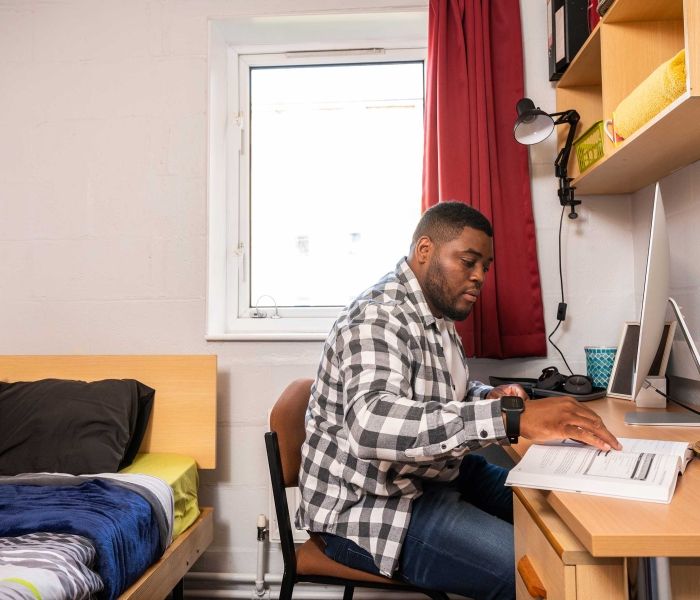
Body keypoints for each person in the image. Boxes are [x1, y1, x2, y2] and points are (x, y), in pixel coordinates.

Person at [296, 201, 621, 600]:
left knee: (558, 509)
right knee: (546, 573)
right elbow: (372, 423)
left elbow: (450, 395)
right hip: (371, 506)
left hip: (432, 475)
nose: (479, 277)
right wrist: (508, 418)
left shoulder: (436, 313)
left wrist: (491, 396)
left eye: (485, 266)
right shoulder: (377, 317)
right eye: (468, 261)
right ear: (425, 251)